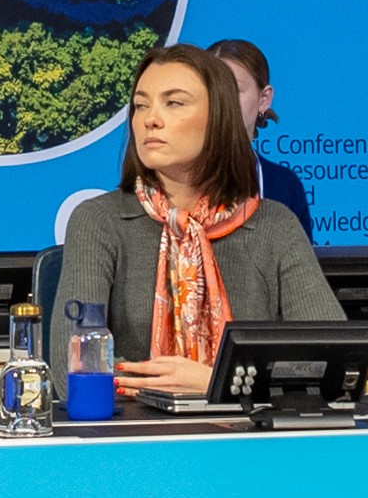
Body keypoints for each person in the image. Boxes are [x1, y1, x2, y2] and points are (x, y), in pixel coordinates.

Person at [58, 46, 343, 395]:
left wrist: (216, 384)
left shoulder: (274, 225)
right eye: (141, 105)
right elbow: (70, 372)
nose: (150, 119)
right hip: (133, 439)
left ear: (220, 117)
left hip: (249, 439)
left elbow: (331, 365)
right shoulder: (100, 221)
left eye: (173, 103)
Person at [209, 37, 318, 229]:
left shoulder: (285, 187)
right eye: (211, 90)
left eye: (233, 89)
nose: (221, 100)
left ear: (264, 99)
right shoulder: (174, 183)